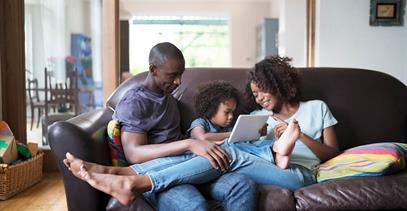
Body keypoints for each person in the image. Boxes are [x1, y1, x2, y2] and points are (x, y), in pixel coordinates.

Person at [65, 55, 340, 205]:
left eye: (262, 91)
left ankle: (133, 181)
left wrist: (299, 134)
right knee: (225, 151)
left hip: (300, 174)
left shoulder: (317, 108)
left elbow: (331, 153)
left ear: (278, 82)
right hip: (267, 162)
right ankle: (120, 173)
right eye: (254, 94)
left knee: (228, 153)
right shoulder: (258, 117)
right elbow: (217, 138)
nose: (258, 99)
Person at [64, 42, 258, 210]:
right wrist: (189, 144)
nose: (179, 82)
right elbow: (134, 154)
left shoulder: (168, 98)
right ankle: (113, 176)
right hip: (158, 174)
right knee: (193, 206)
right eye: (173, 75)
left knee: (243, 185)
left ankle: (104, 172)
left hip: (187, 165)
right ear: (153, 69)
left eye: (180, 75)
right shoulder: (136, 102)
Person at [189, 80, 300, 169]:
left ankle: (276, 148)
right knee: (230, 144)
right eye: (227, 112)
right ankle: (274, 153)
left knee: (258, 143)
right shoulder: (200, 122)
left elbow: (245, 144)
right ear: (212, 109)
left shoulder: (230, 126)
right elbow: (202, 137)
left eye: (233, 112)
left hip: (234, 158)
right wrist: (233, 134)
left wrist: (256, 133)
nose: (231, 116)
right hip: (207, 158)